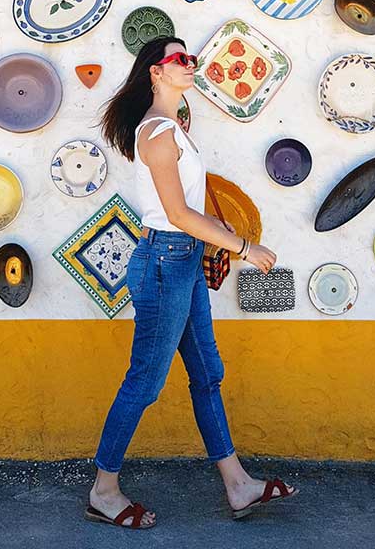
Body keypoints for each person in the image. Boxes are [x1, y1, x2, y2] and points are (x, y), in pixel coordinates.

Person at [85, 37, 298, 530]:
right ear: (155, 73)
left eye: (191, 59)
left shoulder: (174, 128)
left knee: (207, 373)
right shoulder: (157, 131)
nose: (190, 65)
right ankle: (103, 490)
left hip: (182, 262)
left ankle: (238, 484)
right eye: (180, 60)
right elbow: (177, 214)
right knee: (145, 382)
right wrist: (243, 247)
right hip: (164, 263)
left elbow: (188, 210)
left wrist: (219, 235)